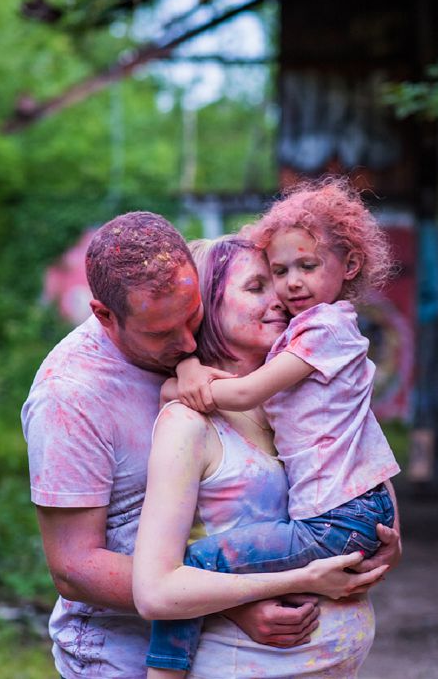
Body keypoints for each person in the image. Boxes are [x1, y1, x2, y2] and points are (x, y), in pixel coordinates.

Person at [22, 212, 387, 679]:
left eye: (192, 316)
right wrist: (232, 601)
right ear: (105, 316)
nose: (187, 340)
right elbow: (75, 568)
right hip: (121, 654)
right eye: (163, 333)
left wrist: (372, 541)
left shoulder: (256, 374)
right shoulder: (70, 395)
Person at [149, 178, 401, 674]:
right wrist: (186, 370)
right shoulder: (192, 423)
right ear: (210, 310)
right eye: (261, 283)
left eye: (300, 270)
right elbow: (159, 586)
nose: (285, 294)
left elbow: (365, 459)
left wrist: (391, 535)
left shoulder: (302, 389)